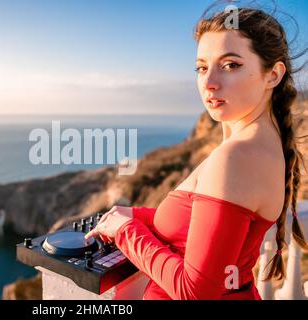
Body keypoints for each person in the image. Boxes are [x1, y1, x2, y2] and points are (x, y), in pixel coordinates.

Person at [85, 6, 308, 300]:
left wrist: (126, 230)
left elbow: (196, 292)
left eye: (230, 65)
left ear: (273, 75)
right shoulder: (260, 145)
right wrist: (139, 215)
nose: (209, 82)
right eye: (202, 67)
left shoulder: (239, 157)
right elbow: (206, 224)